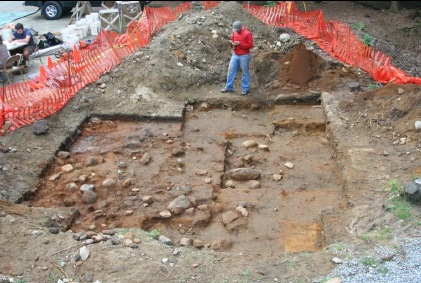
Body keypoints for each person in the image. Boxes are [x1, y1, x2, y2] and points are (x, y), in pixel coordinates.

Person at [221, 21, 253, 95]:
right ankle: (229, 87)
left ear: (240, 27)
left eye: (237, 29)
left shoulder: (247, 34)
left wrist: (240, 44)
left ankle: (245, 89)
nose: (236, 31)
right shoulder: (235, 33)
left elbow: (250, 45)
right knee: (230, 70)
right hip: (235, 54)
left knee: (245, 72)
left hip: (244, 55)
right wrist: (232, 44)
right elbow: (233, 41)